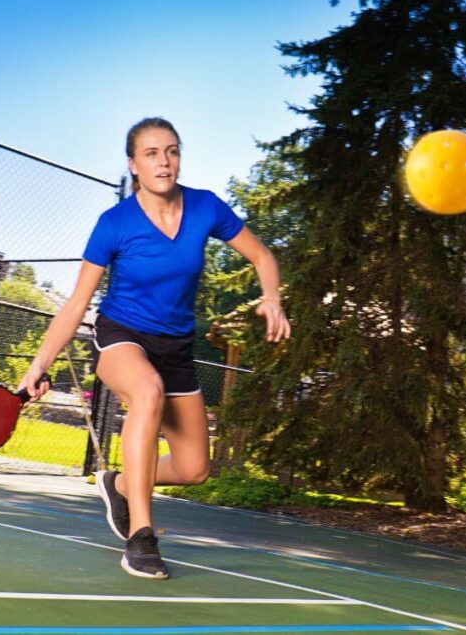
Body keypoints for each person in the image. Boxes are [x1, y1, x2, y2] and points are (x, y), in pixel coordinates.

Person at [17, 117, 290, 579]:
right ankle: (141, 536)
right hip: (122, 336)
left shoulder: (206, 207)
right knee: (146, 391)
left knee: (195, 468)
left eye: (172, 151)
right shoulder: (114, 224)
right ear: (133, 165)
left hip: (177, 347)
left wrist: (271, 299)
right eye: (151, 153)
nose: (164, 161)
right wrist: (38, 364)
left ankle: (120, 484)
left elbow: (262, 255)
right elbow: (77, 303)